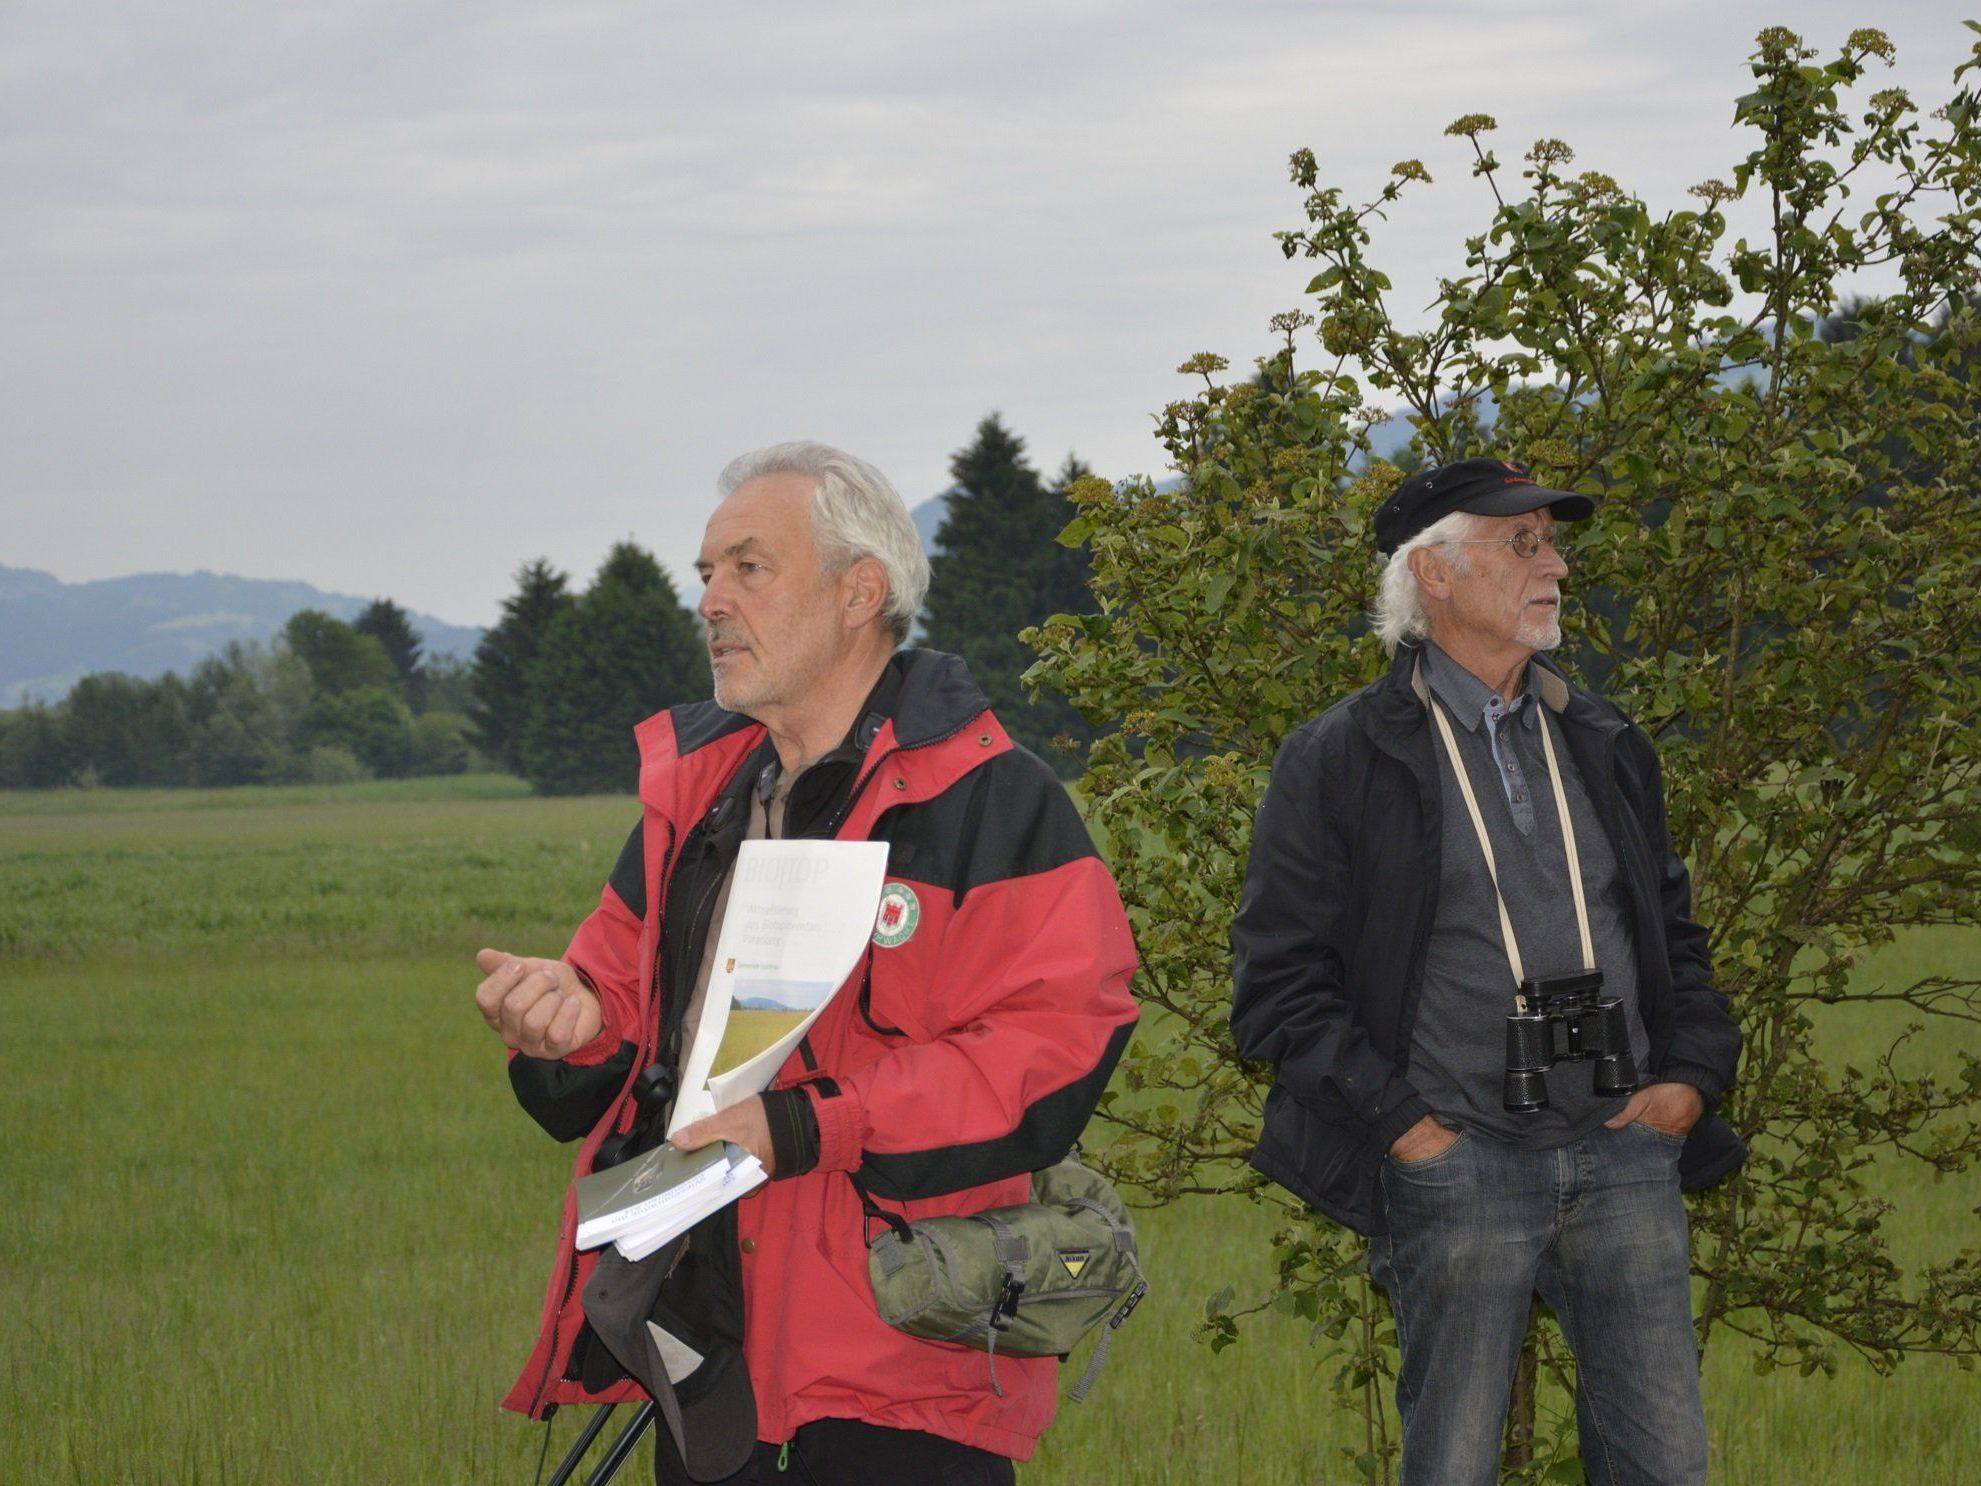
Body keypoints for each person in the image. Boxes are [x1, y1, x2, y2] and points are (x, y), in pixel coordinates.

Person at [472, 442, 1139, 1484]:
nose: (710, 600)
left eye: (748, 567)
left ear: (857, 592)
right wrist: (560, 1017)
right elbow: (609, 1000)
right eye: (705, 573)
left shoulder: (989, 803)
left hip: (902, 1375)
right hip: (706, 1371)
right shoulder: (695, 803)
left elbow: (1054, 1046)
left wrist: (813, 1123)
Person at [1230, 457, 1745, 1486]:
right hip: (1457, 1170)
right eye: (1523, 542)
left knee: (1666, 1467)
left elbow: (1672, 937)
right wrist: (1408, 1133)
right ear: (1434, 573)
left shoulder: (1601, 740)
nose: (1553, 563)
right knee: (1452, 1469)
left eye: (1551, 541)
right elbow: (1278, 987)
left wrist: (1687, 1079)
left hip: (1624, 1160)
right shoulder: (1338, 757)